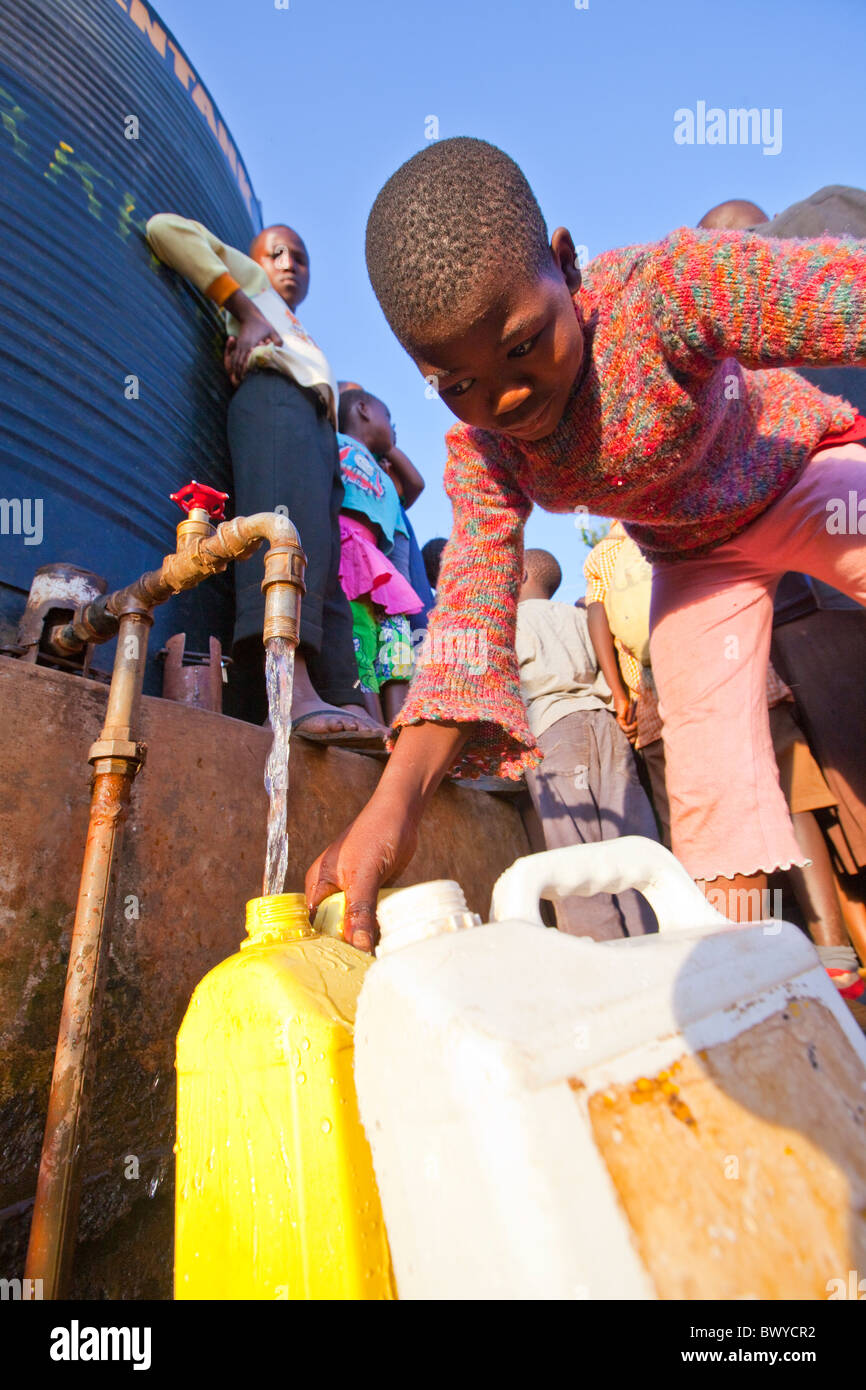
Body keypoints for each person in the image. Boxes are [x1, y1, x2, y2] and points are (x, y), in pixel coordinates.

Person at [305, 136, 866, 953]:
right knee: (714, 803)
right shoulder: (489, 452)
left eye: (524, 344)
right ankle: (752, 982)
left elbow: (839, 296)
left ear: (566, 268)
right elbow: (467, 628)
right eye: (458, 385)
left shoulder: (665, 295)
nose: (507, 396)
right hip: (697, 563)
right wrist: (394, 807)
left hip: (798, 475)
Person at [145, 214, 386, 745]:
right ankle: (288, 694)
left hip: (315, 426)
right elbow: (165, 229)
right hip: (274, 400)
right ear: (254, 261)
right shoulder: (253, 295)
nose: (288, 264)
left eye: (299, 257)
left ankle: (341, 694)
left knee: (323, 569)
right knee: (283, 537)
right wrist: (245, 311)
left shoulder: (300, 330)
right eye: (275, 253)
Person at [516, 548, 659, 940]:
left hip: (552, 730)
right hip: (606, 727)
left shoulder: (508, 621)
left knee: (574, 848)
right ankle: (655, 938)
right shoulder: (580, 617)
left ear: (520, 573)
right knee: (631, 837)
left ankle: (602, 952)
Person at [336, 389, 425, 723]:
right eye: (388, 417)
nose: (392, 427)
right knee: (360, 636)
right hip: (346, 553)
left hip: (380, 565)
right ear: (362, 409)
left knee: (397, 640)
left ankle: (401, 729)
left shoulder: (384, 474)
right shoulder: (332, 443)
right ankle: (372, 724)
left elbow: (416, 485)